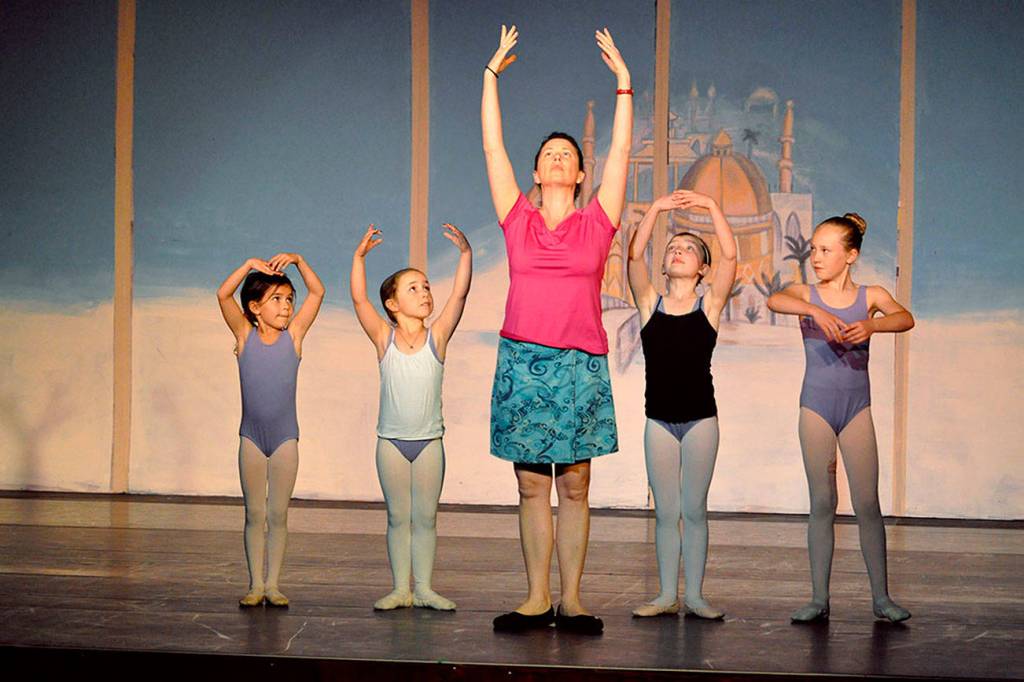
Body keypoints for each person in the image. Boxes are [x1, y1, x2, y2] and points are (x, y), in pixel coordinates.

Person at [482, 24, 632, 635]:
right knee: (529, 486)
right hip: (523, 360)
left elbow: (620, 156)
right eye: (549, 155)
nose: (559, 158)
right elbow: (493, 148)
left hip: (578, 363)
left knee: (574, 485)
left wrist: (624, 85)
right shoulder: (517, 219)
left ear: (579, 174)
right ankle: (536, 597)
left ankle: (571, 599)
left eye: (568, 155)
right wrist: (490, 77)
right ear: (537, 173)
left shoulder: (597, 222)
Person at [767, 213, 913, 623]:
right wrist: (815, 312)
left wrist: (871, 326)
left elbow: (905, 318)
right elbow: (775, 299)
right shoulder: (806, 293)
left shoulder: (871, 295)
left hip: (856, 410)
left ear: (850, 255)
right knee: (822, 502)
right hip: (816, 409)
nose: (816, 257)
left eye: (826, 250)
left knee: (867, 503)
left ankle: (881, 598)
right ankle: (819, 598)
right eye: (813, 249)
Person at [626, 190, 737, 619]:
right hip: (659, 421)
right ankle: (665, 594)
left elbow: (730, 256)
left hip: (700, 421)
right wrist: (656, 209)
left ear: (702, 268)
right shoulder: (648, 303)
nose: (678, 251)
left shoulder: (709, 304)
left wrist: (711, 206)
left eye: (689, 249)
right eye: (673, 247)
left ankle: (695, 596)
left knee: (693, 510)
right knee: (666, 512)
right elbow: (633, 257)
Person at [350, 222, 472, 611]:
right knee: (397, 518)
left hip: (429, 443)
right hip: (391, 443)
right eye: (413, 288)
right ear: (392, 303)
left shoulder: (438, 336)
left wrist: (466, 255)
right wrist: (359, 258)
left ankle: (424, 589)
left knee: (427, 518)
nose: (425, 293)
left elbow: (459, 295)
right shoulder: (383, 338)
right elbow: (359, 301)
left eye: (427, 287)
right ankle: (400, 588)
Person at [217, 253, 325, 607]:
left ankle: (273, 585)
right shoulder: (243, 335)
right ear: (254, 307)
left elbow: (318, 292)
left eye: (289, 299)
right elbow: (222, 294)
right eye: (276, 299)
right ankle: (255, 585)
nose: (286, 306)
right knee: (254, 514)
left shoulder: (294, 336)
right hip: (251, 438)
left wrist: (299, 261)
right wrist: (248, 265)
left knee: (278, 515)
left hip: (284, 440)